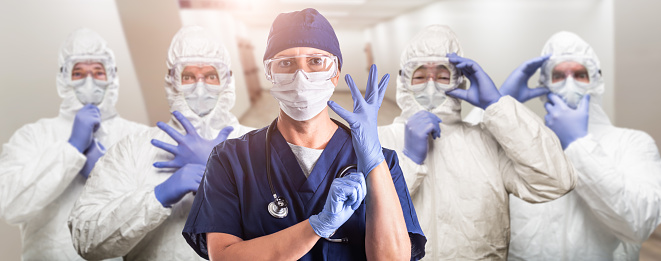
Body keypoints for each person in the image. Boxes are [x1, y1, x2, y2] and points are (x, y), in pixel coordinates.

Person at [182, 8, 426, 261]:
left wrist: (374, 163)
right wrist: (317, 226)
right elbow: (223, 257)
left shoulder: (382, 162)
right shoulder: (230, 159)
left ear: (335, 73)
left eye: (316, 61)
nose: (301, 75)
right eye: (285, 63)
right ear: (270, 74)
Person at [377, 25, 577, 260]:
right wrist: (407, 161)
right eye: (419, 77)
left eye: (443, 77)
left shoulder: (487, 142)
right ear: (404, 82)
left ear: (459, 82)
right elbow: (359, 217)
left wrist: (496, 105)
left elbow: (555, 181)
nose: (431, 86)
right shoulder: (380, 141)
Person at [466, 31, 661, 260]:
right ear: (544, 84)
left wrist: (578, 145)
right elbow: (464, 166)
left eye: (580, 74)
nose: (570, 83)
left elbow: (639, 224)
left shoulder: (632, 143)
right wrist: (498, 105)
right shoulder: (523, 142)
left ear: (596, 81)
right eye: (559, 75)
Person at [67, 26, 254, 260]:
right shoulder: (133, 149)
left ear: (226, 80)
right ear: (172, 81)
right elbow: (86, 241)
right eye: (188, 77)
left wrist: (221, 175)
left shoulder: (263, 146)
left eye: (210, 76)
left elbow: (290, 235)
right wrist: (157, 196)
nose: (200, 87)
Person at [0, 28, 146, 260]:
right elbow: (9, 206)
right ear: (64, 78)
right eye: (79, 73)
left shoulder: (138, 137)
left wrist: (107, 175)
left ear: (112, 76)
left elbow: (155, 212)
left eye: (98, 72)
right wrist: (71, 149)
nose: (89, 81)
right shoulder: (33, 137)